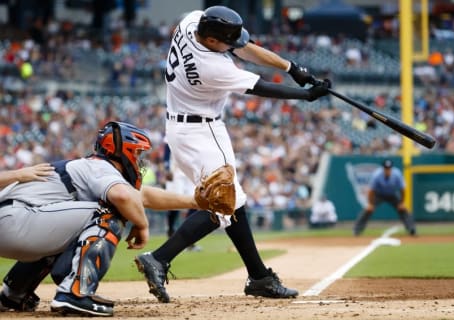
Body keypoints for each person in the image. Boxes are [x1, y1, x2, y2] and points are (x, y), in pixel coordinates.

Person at [134, 5, 331, 303]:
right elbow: (261, 87)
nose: (234, 46)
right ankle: (159, 258)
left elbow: (246, 48)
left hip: (187, 126)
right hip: (201, 132)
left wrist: (292, 69)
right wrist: (305, 95)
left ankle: (259, 276)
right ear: (212, 41)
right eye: (227, 42)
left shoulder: (191, 21)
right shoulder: (213, 68)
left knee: (234, 201)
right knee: (223, 204)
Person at [0, 121, 199, 317]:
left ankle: (15, 293)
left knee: (76, 227)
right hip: (17, 221)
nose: (140, 160)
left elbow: (142, 196)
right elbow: (123, 196)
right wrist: (142, 225)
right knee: (110, 212)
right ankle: (74, 294)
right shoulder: (101, 167)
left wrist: (195, 202)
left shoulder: (90, 168)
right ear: (122, 150)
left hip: (14, 223)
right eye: (137, 153)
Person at [353, 159, 417, 236]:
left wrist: (401, 203)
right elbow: (371, 191)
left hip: (392, 194)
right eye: (386, 168)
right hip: (379, 194)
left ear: (391, 168)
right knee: (368, 210)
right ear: (383, 168)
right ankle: (357, 229)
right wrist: (370, 204)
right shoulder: (377, 175)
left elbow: (402, 190)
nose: (387, 170)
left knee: (403, 210)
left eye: (389, 168)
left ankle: (411, 229)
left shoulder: (397, 174)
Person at [163, 142, 201, 251]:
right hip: (175, 172)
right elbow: (167, 147)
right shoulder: (176, 126)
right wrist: (166, 168)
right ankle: (171, 231)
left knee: (195, 202)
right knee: (175, 202)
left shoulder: (196, 133)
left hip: (190, 172)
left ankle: (188, 236)